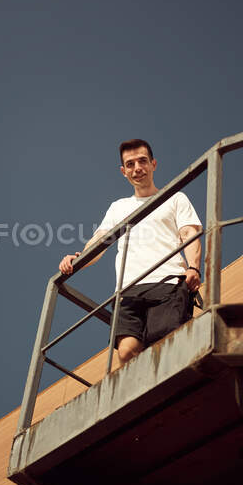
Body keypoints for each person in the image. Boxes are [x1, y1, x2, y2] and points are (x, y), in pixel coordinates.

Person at [59, 139, 202, 367]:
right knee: (126, 352)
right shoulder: (118, 207)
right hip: (128, 291)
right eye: (131, 164)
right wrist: (78, 260)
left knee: (166, 342)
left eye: (143, 161)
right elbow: (99, 242)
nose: (137, 168)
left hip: (167, 281)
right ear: (123, 171)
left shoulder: (175, 198)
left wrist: (193, 266)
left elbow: (189, 234)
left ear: (153, 164)